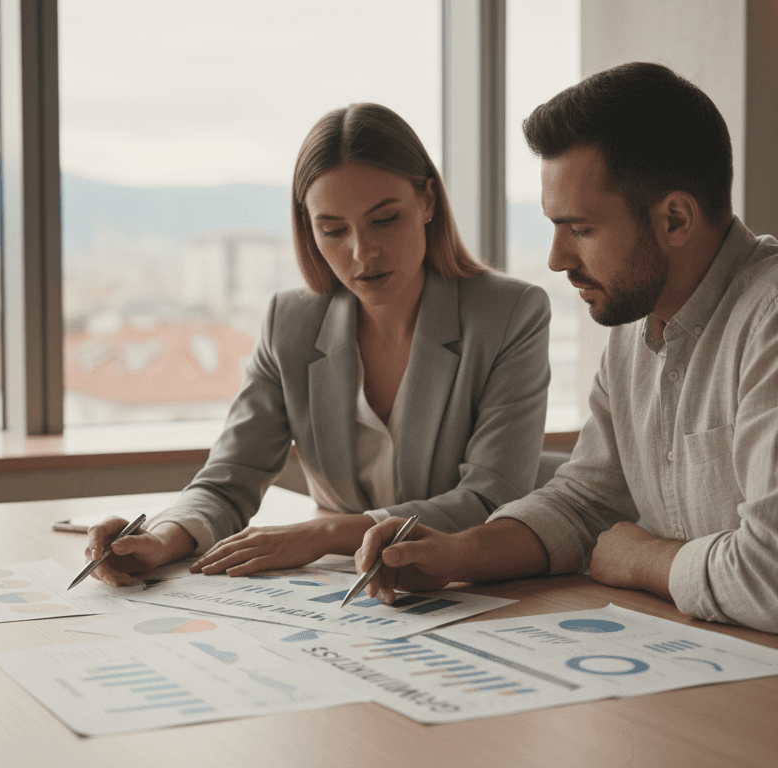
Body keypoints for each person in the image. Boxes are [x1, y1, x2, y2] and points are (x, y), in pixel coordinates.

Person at [356, 63, 778, 673]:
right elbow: (587, 502)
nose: (556, 258)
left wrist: (642, 557)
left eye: (581, 229)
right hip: (727, 671)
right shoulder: (634, 327)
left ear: (674, 219)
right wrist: (460, 554)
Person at [84, 103, 552, 585]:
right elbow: (230, 478)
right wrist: (161, 539)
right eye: (332, 230)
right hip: (340, 588)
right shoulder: (291, 321)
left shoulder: (510, 313)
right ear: (308, 228)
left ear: (427, 202)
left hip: (474, 585)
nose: (361, 252)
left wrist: (323, 534)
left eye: (385, 219)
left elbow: (489, 499)